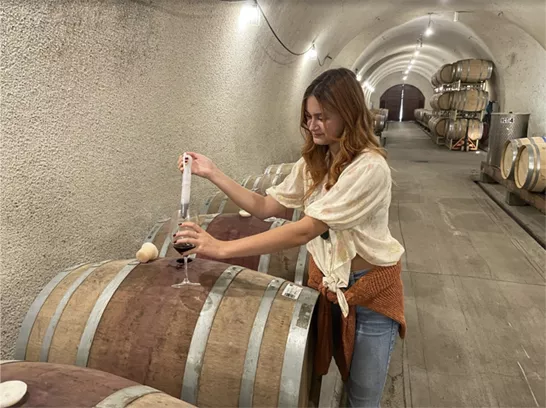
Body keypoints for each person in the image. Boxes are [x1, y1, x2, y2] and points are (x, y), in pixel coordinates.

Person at [175, 67, 406, 408]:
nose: (312, 125)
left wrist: (220, 248)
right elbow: (266, 205)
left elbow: (305, 229)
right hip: (328, 288)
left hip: (370, 295)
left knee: (362, 397)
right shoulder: (317, 160)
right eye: (309, 117)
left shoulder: (370, 168)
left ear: (349, 115)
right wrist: (212, 171)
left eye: (322, 117)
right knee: (323, 383)